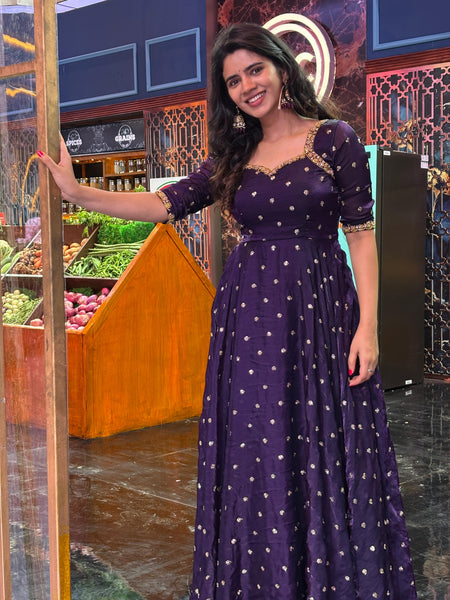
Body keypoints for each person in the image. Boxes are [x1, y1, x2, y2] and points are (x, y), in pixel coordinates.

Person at [39, 22, 417, 600]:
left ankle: (327, 577)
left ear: (282, 67)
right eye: (233, 81)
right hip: (249, 323)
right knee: (257, 444)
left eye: (254, 70)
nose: (247, 86)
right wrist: (79, 193)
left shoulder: (334, 139)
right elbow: (163, 204)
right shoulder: (233, 155)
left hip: (319, 315)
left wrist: (368, 327)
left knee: (321, 440)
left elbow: (361, 236)